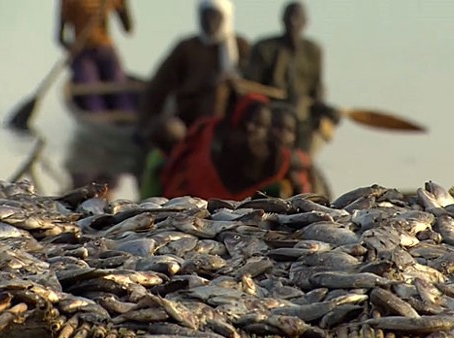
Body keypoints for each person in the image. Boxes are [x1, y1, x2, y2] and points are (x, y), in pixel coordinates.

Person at [138, 0, 251, 149]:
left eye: (215, 16)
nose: (210, 22)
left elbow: (252, 81)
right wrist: (145, 122)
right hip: (189, 116)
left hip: (230, 118)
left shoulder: (240, 47)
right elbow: (158, 86)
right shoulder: (187, 47)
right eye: (206, 16)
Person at [59, 0, 142, 196]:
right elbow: (60, 37)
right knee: (92, 96)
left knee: (121, 92)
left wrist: (122, 7)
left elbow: (129, 29)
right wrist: (72, 48)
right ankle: (107, 126)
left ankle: (128, 125)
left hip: (106, 50)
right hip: (83, 53)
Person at [245, 1, 340, 155]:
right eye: (290, 17)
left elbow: (317, 88)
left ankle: (302, 162)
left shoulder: (313, 51)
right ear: (282, 20)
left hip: (302, 118)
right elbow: (251, 87)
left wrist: (323, 109)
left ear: (306, 23)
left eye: (298, 18)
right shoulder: (264, 48)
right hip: (270, 113)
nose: (293, 22)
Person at [160, 93, 292, 201]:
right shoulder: (207, 133)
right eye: (247, 121)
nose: (250, 128)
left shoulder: (274, 159)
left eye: (260, 125)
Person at [58, 0, 135, 112]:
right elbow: (128, 28)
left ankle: (111, 117)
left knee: (96, 96)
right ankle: (125, 116)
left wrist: (71, 49)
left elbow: (60, 38)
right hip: (98, 52)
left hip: (92, 53)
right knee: (119, 92)